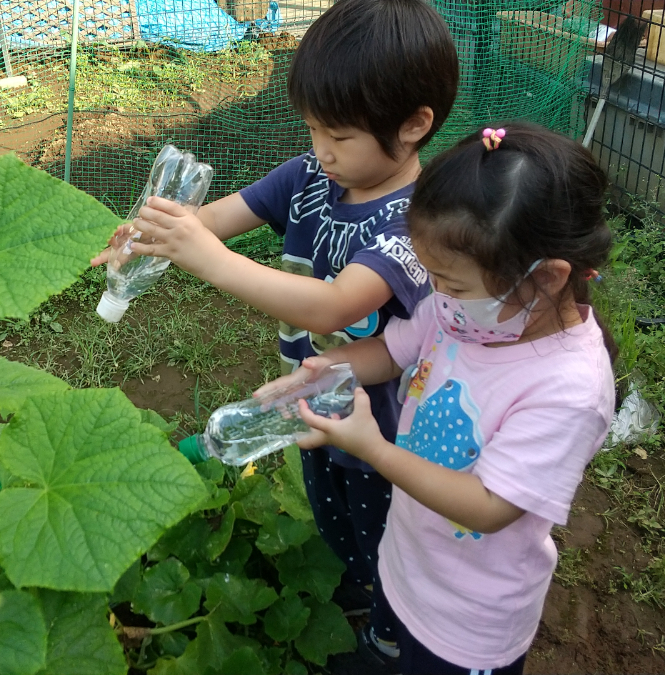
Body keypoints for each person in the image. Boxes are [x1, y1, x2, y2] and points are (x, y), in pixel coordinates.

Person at [91, 0, 458, 664]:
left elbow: (333, 306)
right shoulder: (312, 176)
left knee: (390, 537)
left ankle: (390, 628)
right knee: (332, 511)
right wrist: (157, 236)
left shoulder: (416, 222)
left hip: (384, 425)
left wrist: (210, 261)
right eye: (314, 128)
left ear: (413, 125)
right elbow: (215, 219)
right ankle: (357, 578)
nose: (321, 149)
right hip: (311, 399)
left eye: (338, 135)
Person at [259, 122, 617, 675]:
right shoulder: (466, 314)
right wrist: (320, 371)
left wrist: (374, 450)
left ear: (547, 278)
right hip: (413, 562)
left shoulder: (568, 390)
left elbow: (489, 507)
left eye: (452, 284)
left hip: (470, 622)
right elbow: (392, 350)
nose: (438, 296)